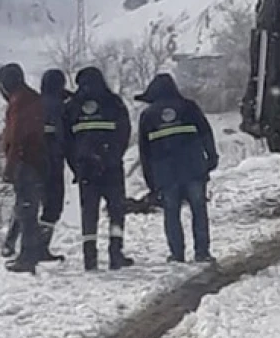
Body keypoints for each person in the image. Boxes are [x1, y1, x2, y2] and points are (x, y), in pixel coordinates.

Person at [135, 73, 219, 264]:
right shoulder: (189, 107)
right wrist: (211, 157)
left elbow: (144, 152)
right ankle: (202, 252)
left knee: (171, 214)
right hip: (193, 168)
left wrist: (151, 181)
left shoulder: (148, 115)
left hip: (166, 174)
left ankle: (177, 254)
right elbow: (206, 132)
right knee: (199, 210)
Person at [63, 66, 134, 271]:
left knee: (89, 212)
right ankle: (115, 252)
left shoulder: (73, 107)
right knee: (116, 209)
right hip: (111, 166)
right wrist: (114, 156)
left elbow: (66, 142)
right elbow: (124, 132)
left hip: (86, 168)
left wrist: (76, 165)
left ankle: (90, 257)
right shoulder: (114, 102)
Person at [0, 63, 48, 274]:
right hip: (36, 161)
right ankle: (19, 247)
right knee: (27, 206)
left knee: (27, 208)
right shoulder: (32, 98)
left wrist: (10, 166)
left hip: (25, 162)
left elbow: (16, 136)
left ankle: (27, 255)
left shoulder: (19, 102)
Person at [36, 68, 72, 262]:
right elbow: (64, 136)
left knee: (30, 204)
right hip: (53, 161)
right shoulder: (61, 107)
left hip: (33, 162)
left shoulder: (34, 105)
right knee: (52, 206)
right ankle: (41, 247)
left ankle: (19, 245)